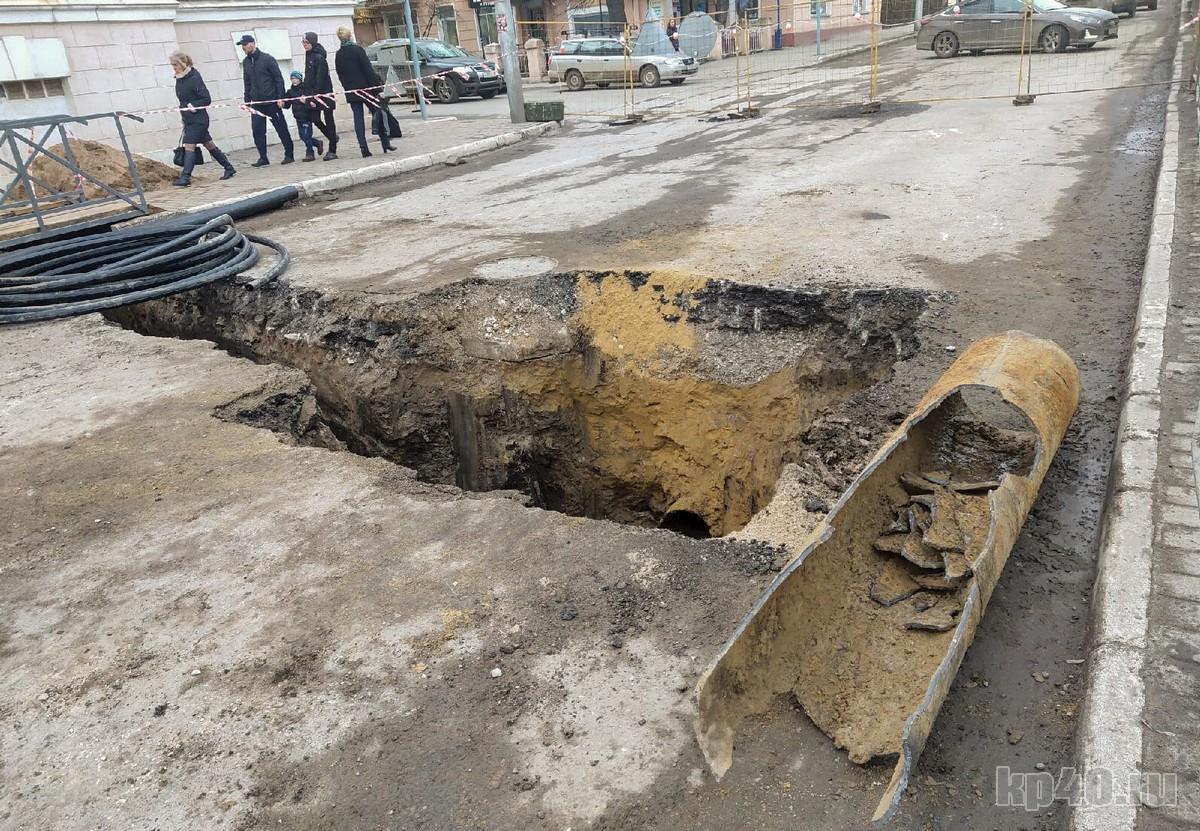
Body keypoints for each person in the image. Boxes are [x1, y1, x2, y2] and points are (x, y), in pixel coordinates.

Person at [169, 51, 235, 186]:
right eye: (172, 65)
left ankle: (185, 177)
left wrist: (194, 105)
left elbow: (206, 99)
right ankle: (229, 167)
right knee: (209, 144)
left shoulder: (194, 78)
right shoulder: (180, 79)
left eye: (175, 65)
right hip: (189, 119)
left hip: (198, 119)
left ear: (182, 64)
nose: (173, 67)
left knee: (189, 145)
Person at [333, 26, 394, 158]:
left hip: (351, 91)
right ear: (350, 36)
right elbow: (368, 70)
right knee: (377, 112)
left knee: (358, 118)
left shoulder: (339, 54)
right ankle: (385, 142)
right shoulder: (358, 50)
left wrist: (347, 87)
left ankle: (363, 147)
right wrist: (378, 89)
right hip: (366, 89)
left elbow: (339, 73)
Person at [237, 34, 296, 166]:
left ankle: (289, 154)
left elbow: (278, 78)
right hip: (257, 103)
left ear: (253, 43)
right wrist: (247, 101)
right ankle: (263, 157)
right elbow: (247, 82)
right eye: (242, 45)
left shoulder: (267, 59)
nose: (243, 47)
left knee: (281, 128)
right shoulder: (246, 62)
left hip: (271, 101)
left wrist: (280, 97)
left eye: (245, 44)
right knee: (257, 130)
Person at [301, 32, 338, 161]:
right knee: (315, 118)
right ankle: (332, 137)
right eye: (303, 42)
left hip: (324, 94)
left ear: (312, 42)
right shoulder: (308, 56)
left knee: (329, 119)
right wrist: (306, 94)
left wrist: (314, 96)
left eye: (307, 42)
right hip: (312, 94)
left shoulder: (319, 58)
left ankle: (332, 149)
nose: (305, 45)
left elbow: (320, 79)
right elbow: (308, 77)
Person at [282, 70, 325, 162]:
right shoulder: (290, 92)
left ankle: (310, 153)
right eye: (292, 78)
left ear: (300, 79)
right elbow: (287, 104)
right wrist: (283, 104)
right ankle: (317, 143)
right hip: (298, 117)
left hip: (306, 116)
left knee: (306, 135)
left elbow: (312, 101)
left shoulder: (306, 89)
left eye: (296, 78)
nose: (294, 80)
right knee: (302, 136)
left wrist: (306, 102)